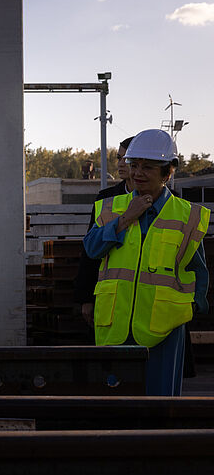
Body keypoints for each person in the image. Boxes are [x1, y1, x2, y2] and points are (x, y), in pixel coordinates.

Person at [84, 129, 209, 396]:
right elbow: (92, 249)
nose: (137, 173)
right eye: (134, 165)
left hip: (163, 326)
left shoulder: (186, 215)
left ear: (167, 173)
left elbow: (198, 269)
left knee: (160, 403)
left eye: (147, 167)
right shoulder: (110, 207)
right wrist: (125, 218)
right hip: (116, 321)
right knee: (115, 402)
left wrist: (194, 306)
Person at [75, 136, 135, 322]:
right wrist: (86, 298)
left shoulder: (172, 201)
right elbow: (90, 251)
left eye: (127, 158)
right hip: (113, 300)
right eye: (118, 158)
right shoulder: (106, 199)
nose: (120, 163)